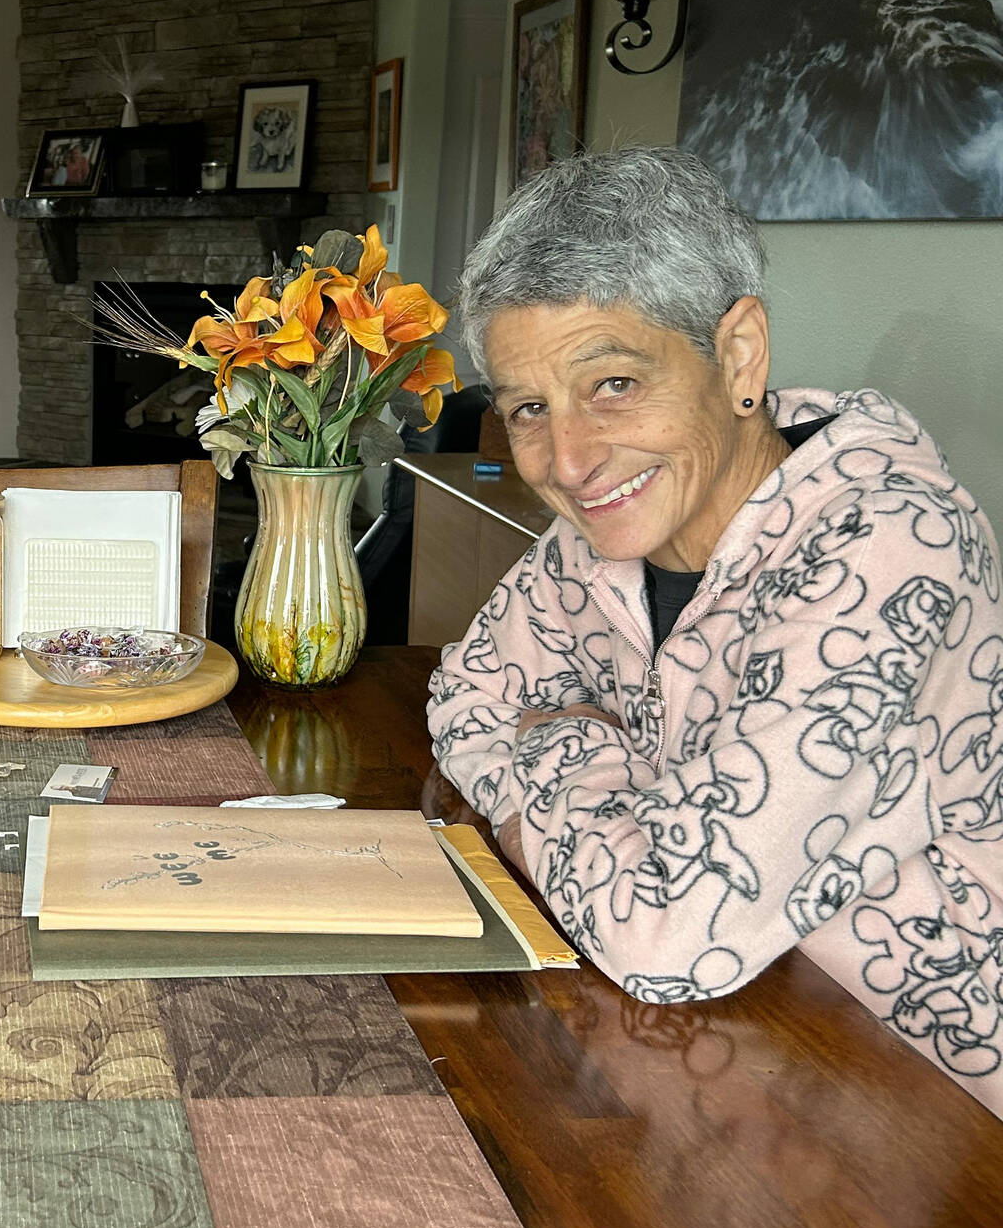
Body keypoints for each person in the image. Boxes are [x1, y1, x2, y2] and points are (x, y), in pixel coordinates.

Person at [427, 146, 1003, 1115]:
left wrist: (563, 742)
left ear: (735, 355)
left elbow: (667, 934)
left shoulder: (892, 541)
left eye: (612, 383)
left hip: (922, 1105)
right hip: (723, 1062)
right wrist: (633, 822)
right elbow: (463, 702)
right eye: (528, 407)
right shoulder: (606, 533)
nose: (567, 461)